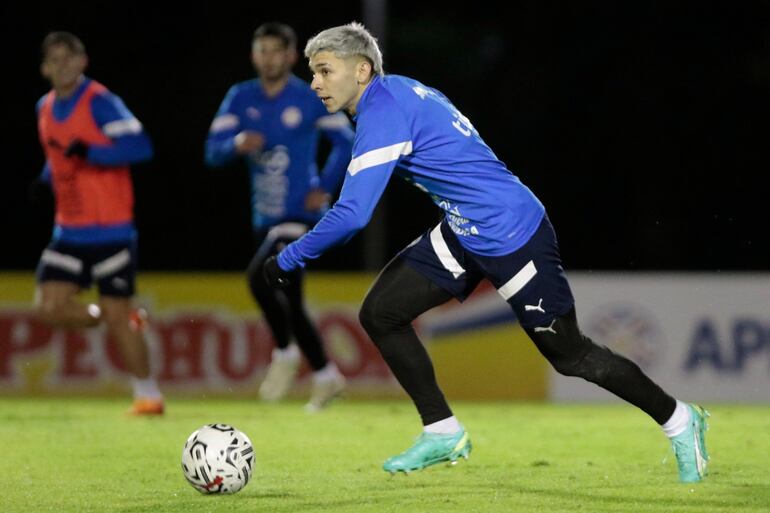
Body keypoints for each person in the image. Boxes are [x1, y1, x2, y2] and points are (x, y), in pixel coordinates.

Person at [263, 22, 710, 482]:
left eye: (323, 71)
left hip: (512, 233)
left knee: (570, 355)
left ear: (361, 70)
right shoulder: (396, 91)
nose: (314, 83)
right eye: (313, 73)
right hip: (466, 228)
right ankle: (442, 431)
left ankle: (680, 420)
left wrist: (289, 257)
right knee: (381, 313)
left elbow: (354, 215)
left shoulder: (383, 112)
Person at [205, 22, 354, 412]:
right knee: (289, 300)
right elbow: (212, 150)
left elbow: (346, 140)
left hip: (300, 215)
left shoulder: (308, 97)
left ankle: (285, 353)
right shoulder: (240, 97)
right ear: (254, 55)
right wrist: (235, 144)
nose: (269, 58)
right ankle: (326, 376)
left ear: (290, 56)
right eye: (262, 50)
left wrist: (324, 185)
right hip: (264, 217)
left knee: (259, 277)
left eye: (276, 51)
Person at [33, 32, 164, 415]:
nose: (62, 65)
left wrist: (93, 152)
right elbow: (58, 156)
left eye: (68, 57)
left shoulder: (101, 102)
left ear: (82, 61)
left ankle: (149, 396)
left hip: (112, 230)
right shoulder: (44, 107)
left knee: (120, 320)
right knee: (49, 308)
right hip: (68, 230)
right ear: (45, 68)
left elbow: (141, 146)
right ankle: (113, 317)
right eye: (54, 59)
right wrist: (44, 180)